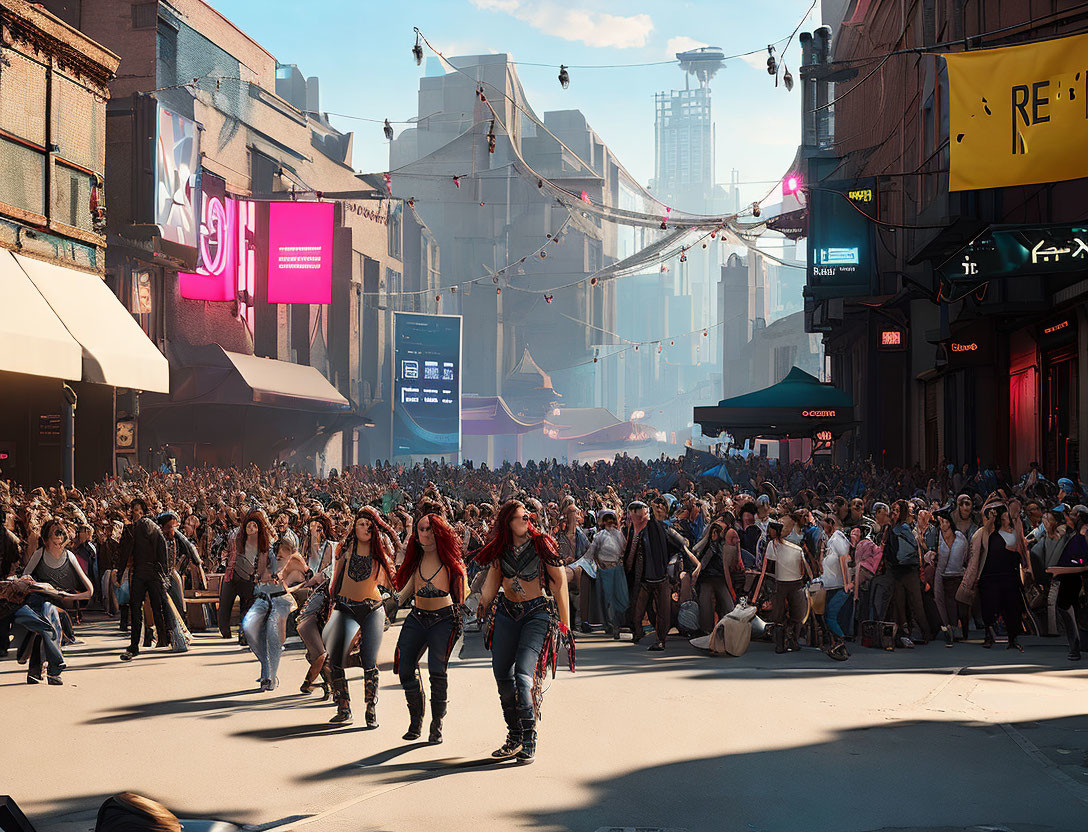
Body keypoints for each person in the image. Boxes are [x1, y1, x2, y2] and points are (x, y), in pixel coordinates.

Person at [475, 500, 571, 764]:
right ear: (508, 522)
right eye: (519, 518)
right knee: (502, 676)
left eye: (527, 517)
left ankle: (529, 737)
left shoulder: (542, 544)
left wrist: (565, 624)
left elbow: (560, 583)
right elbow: (492, 583)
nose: (526, 522)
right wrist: (481, 604)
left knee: (523, 675)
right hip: (507, 612)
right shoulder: (500, 549)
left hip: (537, 614)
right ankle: (514, 736)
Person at [393, 506, 467, 744]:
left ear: (438, 532)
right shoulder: (415, 559)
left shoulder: (450, 562)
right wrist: (390, 602)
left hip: (443, 619)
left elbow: (461, 592)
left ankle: (437, 723)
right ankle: (416, 720)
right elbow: (405, 592)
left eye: (428, 529)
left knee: (437, 670)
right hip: (417, 616)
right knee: (404, 668)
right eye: (420, 529)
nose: (423, 533)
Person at [324, 507, 398, 726]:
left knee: (369, 660)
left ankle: (370, 708)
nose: (365, 528)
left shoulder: (380, 552)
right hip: (345, 607)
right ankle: (343, 706)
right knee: (334, 657)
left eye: (369, 525)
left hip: (372, 609)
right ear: (354, 527)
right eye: (361, 524)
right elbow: (335, 579)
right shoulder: (344, 549)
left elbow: (394, 579)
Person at [623, 501, 700, 651]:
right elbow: (630, 556)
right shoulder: (635, 532)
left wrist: (696, 564)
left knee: (662, 611)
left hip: (661, 577)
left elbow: (682, 544)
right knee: (637, 609)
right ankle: (638, 633)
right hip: (644, 578)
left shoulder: (664, 529)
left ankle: (660, 640)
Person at [959, 502, 1033, 651]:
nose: (1006, 516)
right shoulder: (987, 532)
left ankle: (1013, 639)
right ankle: (988, 635)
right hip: (990, 576)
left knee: (1012, 608)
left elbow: (1022, 549)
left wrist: (1027, 568)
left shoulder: (1015, 530)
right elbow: (977, 550)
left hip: (1010, 575)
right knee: (989, 607)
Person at [242, 537, 304, 691]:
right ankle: (266, 665)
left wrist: (290, 584)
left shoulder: (292, 556)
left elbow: (306, 574)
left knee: (273, 632)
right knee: (248, 627)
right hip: (262, 598)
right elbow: (259, 575)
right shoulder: (263, 553)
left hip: (280, 599)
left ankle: (270, 677)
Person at [758, 520, 810, 653]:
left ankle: (788, 641)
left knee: (790, 614)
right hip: (785, 582)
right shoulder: (776, 545)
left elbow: (768, 567)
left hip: (789, 582)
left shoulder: (777, 546)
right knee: (786, 614)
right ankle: (785, 642)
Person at [218, 509, 269, 644]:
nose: (251, 528)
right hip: (232, 575)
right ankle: (225, 632)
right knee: (225, 604)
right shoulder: (236, 536)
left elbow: (263, 561)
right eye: (249, 525)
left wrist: (258, 576)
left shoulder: (263, 541)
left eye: (254, 526)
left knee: (247, 607)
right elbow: (226, 552)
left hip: (250, 578)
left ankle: (244, 635)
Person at [1047, 505, 1088, 660]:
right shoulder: (1072, 533)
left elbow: (1082, 560)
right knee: (1072, 609)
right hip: (1070, 577)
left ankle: (1075, 646)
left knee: (1067, 607)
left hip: (1076, 578)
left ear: (1078, 515)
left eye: (1071, 514)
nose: (1068, 517)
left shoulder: (1082, 533)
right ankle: (1076, 645)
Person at [583, 509, 627, 639]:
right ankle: (611, 625)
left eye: (611, 519)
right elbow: (591, 553)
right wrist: (598, 563)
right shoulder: (600, 535)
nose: (609, 522)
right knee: (608, 599)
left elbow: (624, 549)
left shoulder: (619, 535)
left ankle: (616, 623)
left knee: (620, 598)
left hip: (617, 570)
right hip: (605, 570)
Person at [692, 517, 737, 636]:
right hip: (708, 578)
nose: (715, 534)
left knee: (727, 605)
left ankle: (727, 629)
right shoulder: (708, 545)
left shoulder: (722, 546)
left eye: (717, 531)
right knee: (706, 604)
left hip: (718, 578)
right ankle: (707, 630)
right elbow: (701, 558)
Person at [931, 509, 969, 646]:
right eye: (941, 522)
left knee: (961, 604)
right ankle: (950, 629)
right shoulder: (937, 537)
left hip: (959, 573)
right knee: (946, 603)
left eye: (946, 521)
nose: (944, 524)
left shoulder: (959, 536)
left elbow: (965, 554)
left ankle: (962, 630)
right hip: (944, 575)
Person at [820, 512, 852, 659]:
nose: (822, 529)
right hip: (833, 585)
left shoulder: (836, 540)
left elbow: (844, 560)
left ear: (831, 524)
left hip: (840, 586)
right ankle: (836, 644)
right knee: (830, 615)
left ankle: (840, 645)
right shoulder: (832, 540)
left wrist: (847, 584)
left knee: (831, 616)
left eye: (824, 526)